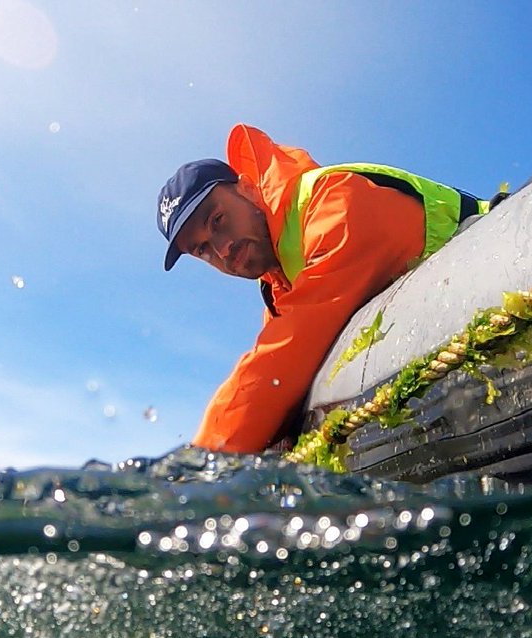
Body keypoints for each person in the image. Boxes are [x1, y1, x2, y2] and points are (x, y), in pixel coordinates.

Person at [157, 123, 493, 454]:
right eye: (202, 249)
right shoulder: (278, 287)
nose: (222, 249)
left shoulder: (336, 201)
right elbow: (274, 364)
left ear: (247, 189)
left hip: (494, 260)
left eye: (218, 220)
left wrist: (205, 463)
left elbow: (289, 352)